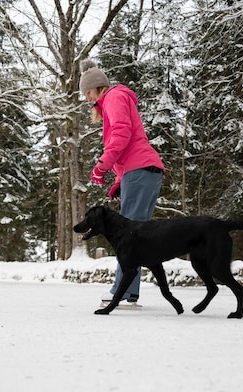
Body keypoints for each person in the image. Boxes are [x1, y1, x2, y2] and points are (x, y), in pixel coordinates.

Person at [79, 58, 165, 305]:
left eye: (88, 93)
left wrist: (101, 166)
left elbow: (122, 135)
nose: (87, 99)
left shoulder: (114, 97)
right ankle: (130, 289)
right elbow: (128, 143)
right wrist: (119, 179)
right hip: (144, 171)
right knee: (137, 234)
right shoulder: (115, 99)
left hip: (140, 171)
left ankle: (123, 289)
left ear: (98, 88)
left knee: (128, 235)